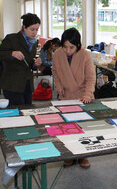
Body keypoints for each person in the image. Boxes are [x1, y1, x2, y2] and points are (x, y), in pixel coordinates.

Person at [52, 27, 96, 168]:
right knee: (67, 128)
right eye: (65, 47)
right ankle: (70, 155)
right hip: (65, 95)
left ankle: (84, 155)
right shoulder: (58, 54)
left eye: (71, 47)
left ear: (78, 45)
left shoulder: (85, 55)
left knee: (83, 127)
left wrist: (88, 94)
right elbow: (55, 72)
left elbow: (90, 78)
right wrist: (58, 86)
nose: (68, 50)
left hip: (82, 95)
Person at [0, 13, 42, 105]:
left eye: (37, 29)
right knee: (18, 112)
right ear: (24, 27)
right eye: (32, 29)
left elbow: (30, 64)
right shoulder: (12, 38)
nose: (35, 32)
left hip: (27, 85)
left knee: (28, 111)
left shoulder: (33, 43)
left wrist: (35, 64)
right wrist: (12, 53)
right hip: (12, 85)